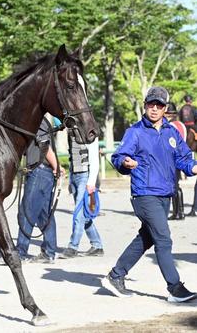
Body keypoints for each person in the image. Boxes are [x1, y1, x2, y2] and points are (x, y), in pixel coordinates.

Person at [103, 86, 197, 302]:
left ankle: (116, 276)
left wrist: (194, 166)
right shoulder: (134, 132)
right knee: (163, 238)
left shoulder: (172, 132)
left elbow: (184, 159)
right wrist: (125, 162)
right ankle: (175, 288)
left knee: (146, 238)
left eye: (159, 105)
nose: (154, 109)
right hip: (144, 194)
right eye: (150, 104)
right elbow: (118, 157)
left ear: (165, 109)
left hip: (165, 194)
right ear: (145, 105)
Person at [16, 117, 64, 263]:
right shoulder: (37, 121)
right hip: (43, 172)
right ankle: (49, 252)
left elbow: (45, 145)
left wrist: (56, 166)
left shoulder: (38, 121)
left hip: (39, 171)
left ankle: (20, 253)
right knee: (45, 215)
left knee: (27, 212)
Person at [60, 129, 103, 258]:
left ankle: (73, 247)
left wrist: (91, 182)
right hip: (75, 174)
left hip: (85, 175)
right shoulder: (71, 131)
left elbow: (94, 159)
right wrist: (71, 180)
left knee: (78, 213)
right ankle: (97, 245)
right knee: (84, 214)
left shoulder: (90, 132)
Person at [165, 103, 186, 220]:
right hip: (181, 156)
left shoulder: (169, 126)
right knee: (177, 185)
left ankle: (177, 212)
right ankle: (180, 211)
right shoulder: (181, 125)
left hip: (172, 158)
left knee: (174, 185)